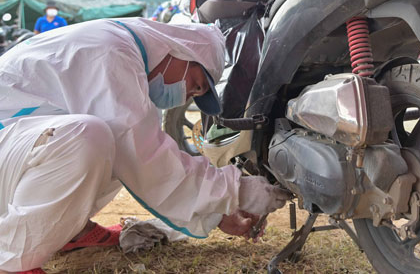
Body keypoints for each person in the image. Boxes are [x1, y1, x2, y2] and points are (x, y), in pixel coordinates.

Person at [0, 18, 290, 273]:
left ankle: (70, 231)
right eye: (197, 84)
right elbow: (143, 155)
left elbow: (139, 152)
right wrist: (236, 190)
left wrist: (218, 211)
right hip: (9, 144)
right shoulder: (111, 51)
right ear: (180, 50)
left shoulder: (120, 47)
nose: (188, 95)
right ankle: (10, 261)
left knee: (108, 142)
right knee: (88, 138)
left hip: (15, 148)